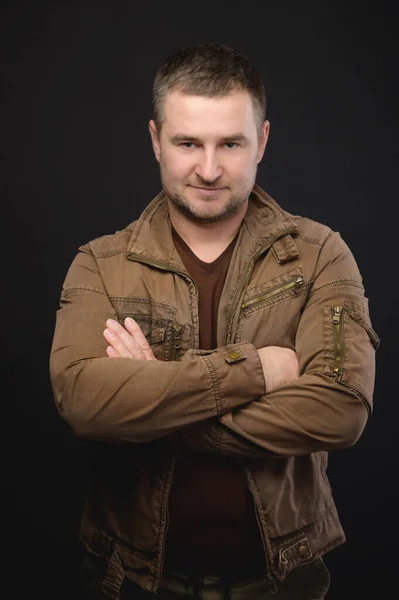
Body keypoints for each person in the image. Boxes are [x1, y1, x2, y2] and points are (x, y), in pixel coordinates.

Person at [49, 42, 379, 600]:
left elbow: (341, 410)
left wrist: (153, 403)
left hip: (282, 581)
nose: (208, 168)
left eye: (230, 143)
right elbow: (82, 400)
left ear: (263, 142)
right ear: (156, 141)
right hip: (129, 581)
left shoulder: (321, 254)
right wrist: (254, 371)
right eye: (187, 143)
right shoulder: (99, 263)